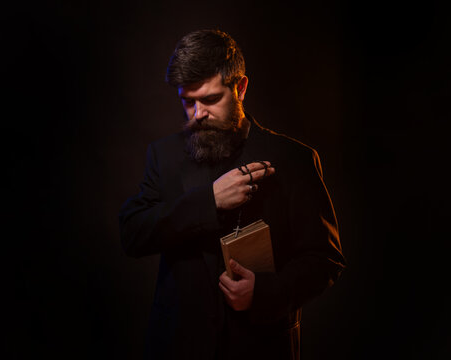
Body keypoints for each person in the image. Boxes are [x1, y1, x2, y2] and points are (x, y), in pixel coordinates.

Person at [119, 29, 346, 360]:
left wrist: (266, 294)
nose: (198, 114)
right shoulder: (162, 155)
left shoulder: (294, 159)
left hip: (261, 346)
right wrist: (209, 201)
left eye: (210, 99)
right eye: (188, 102)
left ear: (239, 88)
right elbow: (133, 234)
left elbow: (325, 259)